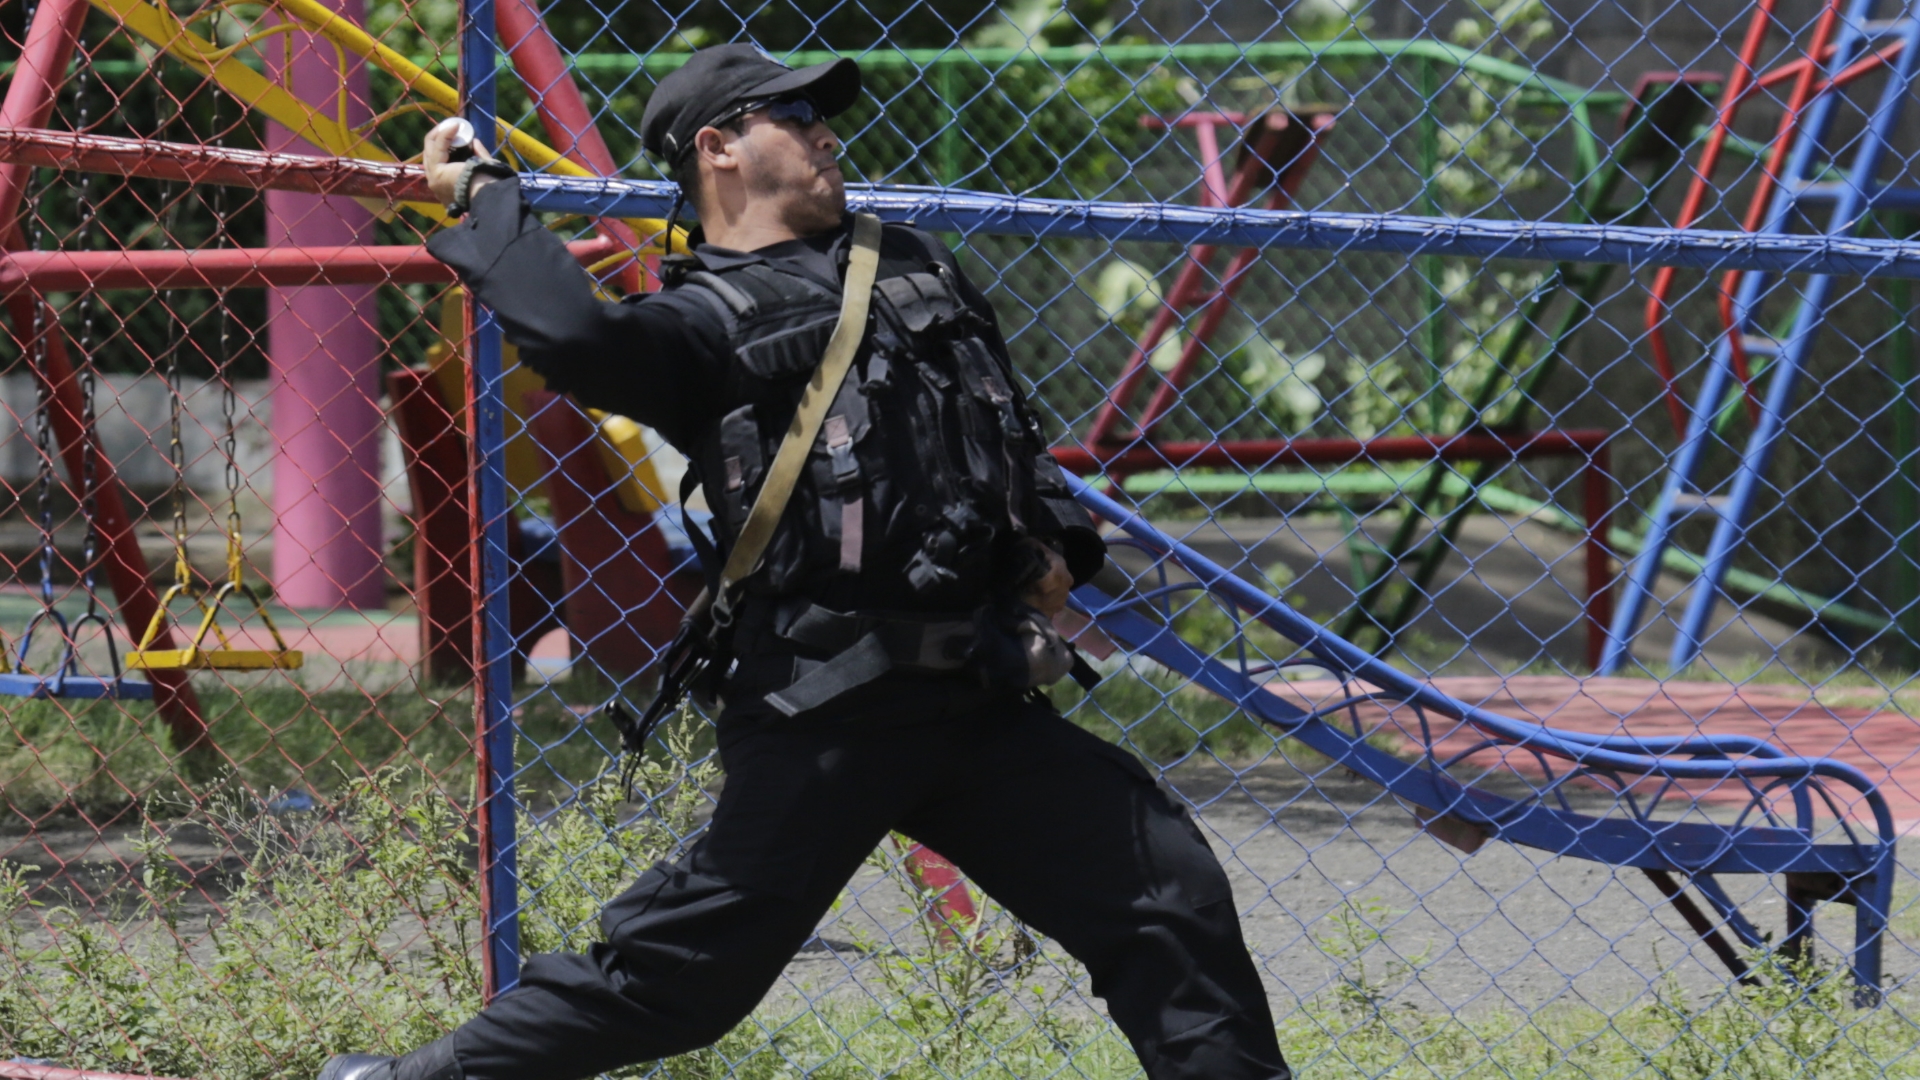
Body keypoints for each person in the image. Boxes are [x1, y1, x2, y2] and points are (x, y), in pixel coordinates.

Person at [317, 43, 1291, 1080]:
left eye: (823, 116)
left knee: (1167, 895)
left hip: (977, 694)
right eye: (793, 114)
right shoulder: (700, 321)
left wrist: (1059, 548)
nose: (829, 133)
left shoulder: (915, 264)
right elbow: (570, 331)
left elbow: (1014, 445)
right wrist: (484, 202)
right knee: (678, 980)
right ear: (719, 146)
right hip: (827, 701)